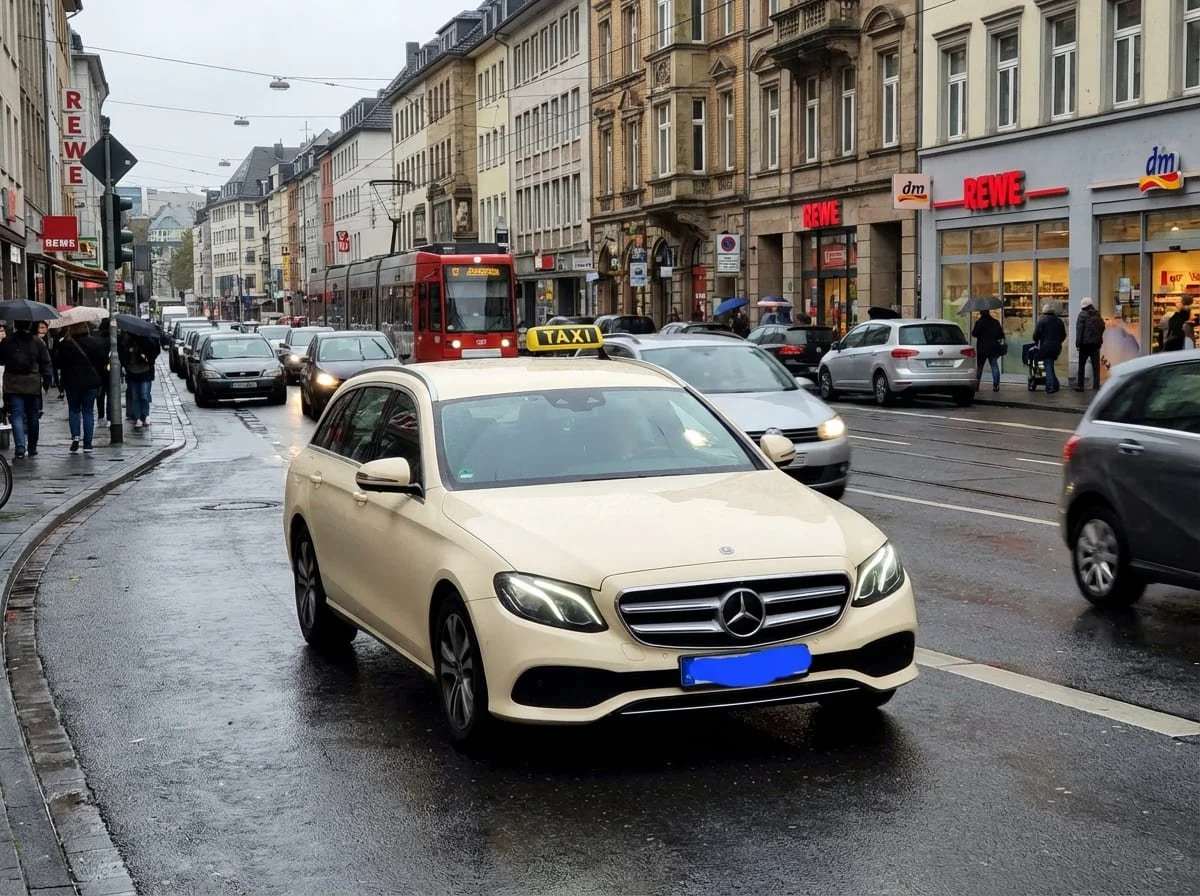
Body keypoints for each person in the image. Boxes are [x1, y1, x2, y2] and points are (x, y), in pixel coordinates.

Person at [0, 320, 53, 458]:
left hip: (13, 383)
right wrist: (47, 380)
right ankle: (32, 446)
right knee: (32, 416)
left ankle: (20, 447)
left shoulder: (8, 341)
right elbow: (46, 362)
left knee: (16, 415)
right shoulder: (37, 342)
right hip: (32, 383)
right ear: (30, 325)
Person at [57, 323, 102, 452]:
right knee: (88, 411)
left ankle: (75, 437)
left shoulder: (65, 345)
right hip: (91, 382)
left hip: (72, 382)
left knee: (74, 410)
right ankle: (88, 444)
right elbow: (101, 362)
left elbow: (58, 363)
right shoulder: (95, 343)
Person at [120, 332, 160, 429]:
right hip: (132, 372)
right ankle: (138, 417)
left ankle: (145, 415)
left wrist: (147, 358)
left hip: (145, 371)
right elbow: (122, 354)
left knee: (144, 394)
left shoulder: (148, 340)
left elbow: (155, 351)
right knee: (135, 396)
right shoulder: (127, 340)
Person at [1031, 302, 1067, 394]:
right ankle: (1055, 385)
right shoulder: (1059, 321)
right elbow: (1063, 335)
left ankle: (1050, 387)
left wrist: (1036, 342)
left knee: (1048, 366)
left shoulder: (1042, 320)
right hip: (1056, 347)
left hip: (1046, 346)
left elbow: (1036, 335)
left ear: (1044, 312)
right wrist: (1058, 342)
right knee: (1050, 365)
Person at [1074, 297, 1105, 391]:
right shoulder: (1097, 315)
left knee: (1081, 365)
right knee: (1096, 366)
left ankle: (1080, 385)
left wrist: (1078, 344)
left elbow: (1079, 330)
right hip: (1095, 344)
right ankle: (1096, 385)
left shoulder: (1082, 315)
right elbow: (1102, 327)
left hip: (1084, 345)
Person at [971, 308, 1005, 392]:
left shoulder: (979, 322)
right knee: (994, 366)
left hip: (982, 348)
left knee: (979, 367)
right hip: (993, 348)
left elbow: (974, 333)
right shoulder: (995, 322)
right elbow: (1001, 335)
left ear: (981, 313)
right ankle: (996, 385)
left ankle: (976, 386)